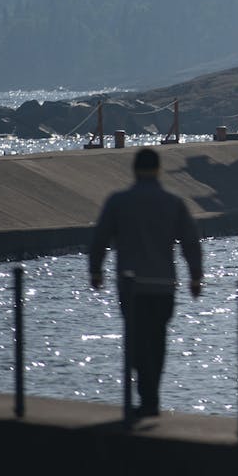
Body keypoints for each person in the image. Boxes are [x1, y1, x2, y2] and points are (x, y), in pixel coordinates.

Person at [88, 147, 203, 419]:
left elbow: (100, 239)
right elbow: (190, 243)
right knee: (158, 340)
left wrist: (96, 271)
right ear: (159, 169)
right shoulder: (173, 202)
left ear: (133, 169)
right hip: (164, 285)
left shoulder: (118, 201)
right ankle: (152, 396)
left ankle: (146, 394)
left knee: (137, 340)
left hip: (131, 287)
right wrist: (195, 277)